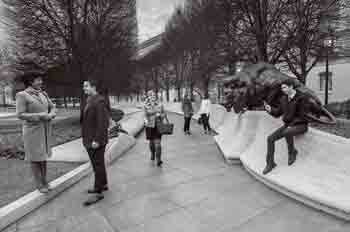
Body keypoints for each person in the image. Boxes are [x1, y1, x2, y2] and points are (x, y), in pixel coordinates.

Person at [16, 72, 56, 194]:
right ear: (30, 82)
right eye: (38, 80)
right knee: (35, 158)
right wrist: (40, 116)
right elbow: (20, 114)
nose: (41, 82)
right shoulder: (22, 95)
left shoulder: (43, 93)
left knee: (43, 157)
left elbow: (52, 106)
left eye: (41, 80)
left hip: (44, 130)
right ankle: (39, 184)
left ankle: (45, 181)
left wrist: (52, 114)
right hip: (32, 132)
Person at [262, 79, 309, 175]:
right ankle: (270, 163)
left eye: (284, 87)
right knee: (270, 139)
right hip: (288, 126)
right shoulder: (283, 99)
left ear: (291, 87)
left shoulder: (302, 98)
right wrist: (270, 110)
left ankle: (292, 152)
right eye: (282, 88)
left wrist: (291, 125)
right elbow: (278, 113)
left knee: (287, 132)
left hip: (300, 125)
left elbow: (303, 116)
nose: (283, 90)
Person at [81, 79, 110, 206]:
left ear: (94, 87)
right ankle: (103, 184)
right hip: (90, 138)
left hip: (95, 140)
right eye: (84, 86)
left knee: (97, 164)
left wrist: (97, 140)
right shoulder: (90, 100)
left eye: (86, 86)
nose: (84, 88)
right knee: (98, 163)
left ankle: (97, 192)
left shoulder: (99, 101)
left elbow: (103, 123)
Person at [143, 90, 166, 167]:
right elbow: (144, 115)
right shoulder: (145, 105)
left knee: (158, 143)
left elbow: (164, 113)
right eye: (151, 95)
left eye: (154, 95)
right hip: (149, 126)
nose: (153, 96)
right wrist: (145, 120)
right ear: (148, 97)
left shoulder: (160, 104)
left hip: (158, 126)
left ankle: (158, 159)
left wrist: (161, 115)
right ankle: (152, 153)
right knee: (152, 143)